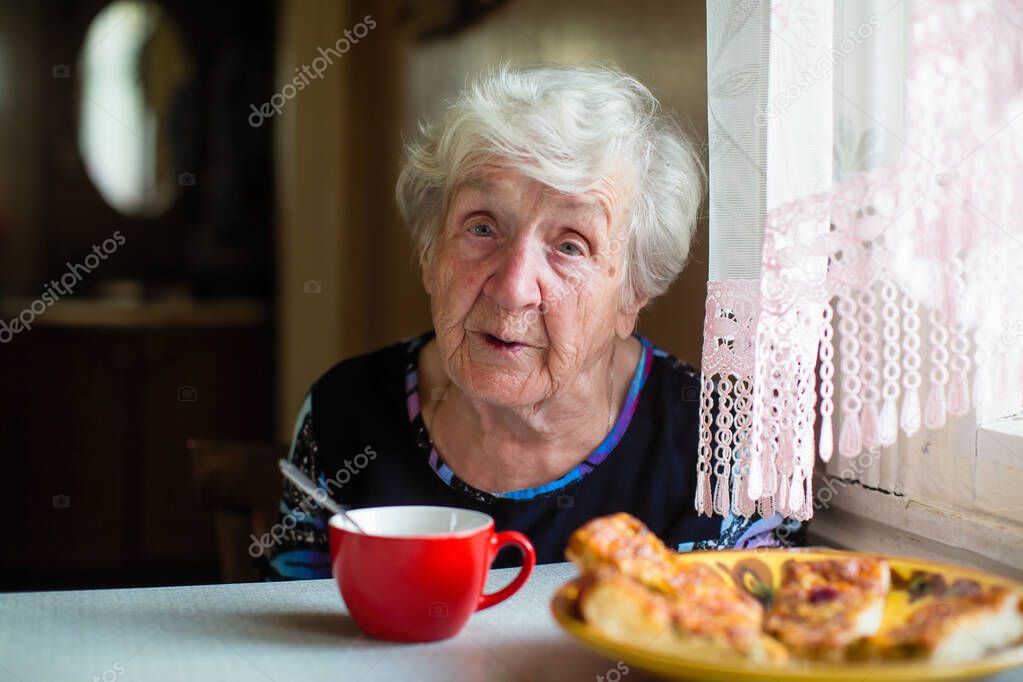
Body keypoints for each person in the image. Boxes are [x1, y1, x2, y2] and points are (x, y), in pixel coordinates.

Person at [265, 63, 799, 579]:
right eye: (481, 228)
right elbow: (291, 639)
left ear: (633, 292)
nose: (514, 287)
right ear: (429, 254)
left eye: (570, 245)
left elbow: (742, 649)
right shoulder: (345, 413)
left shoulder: (720, 447)